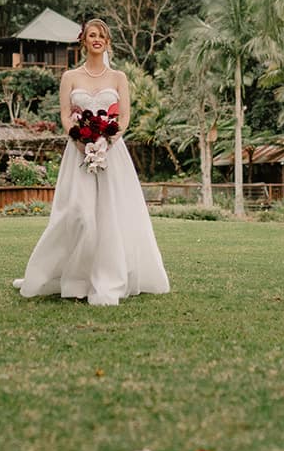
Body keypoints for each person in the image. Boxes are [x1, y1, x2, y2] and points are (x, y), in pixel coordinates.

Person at [13, 18, 170, 306]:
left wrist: (106, 141)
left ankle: (108, 275)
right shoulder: (70, 77)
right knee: (79, 214)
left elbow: (123, 117)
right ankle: (73, 278)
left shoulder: (119, 78)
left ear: (107, 42)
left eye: (102, 35)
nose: (96, 39)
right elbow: (64, 114)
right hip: (78, 153)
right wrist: (79, 139)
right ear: (83, 41)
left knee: (111, 216)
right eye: (91, 35)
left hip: (112, 153)